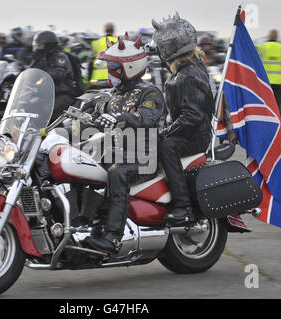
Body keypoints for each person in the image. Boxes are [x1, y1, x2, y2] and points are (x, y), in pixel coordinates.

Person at [81, 34, 165, 253]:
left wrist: (121, 119)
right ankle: (83, 223)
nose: (109, 71)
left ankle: (112, 237)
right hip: (116, 152)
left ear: (130, 67)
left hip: (144, 156)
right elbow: (92, 112)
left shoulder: (150, 93)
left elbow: (146, 117)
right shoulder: (113, 94)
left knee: (118, 173)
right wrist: (80, 113)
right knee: (82, 164)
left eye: (113, 67)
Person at [152, 12, 214, 223]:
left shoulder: (187, 76)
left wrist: (164, 133)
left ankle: (182, 206)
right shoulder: (191, 66)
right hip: (193, 130)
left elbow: (192, 116)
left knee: (165, 146)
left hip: (196, 135)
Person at [30, 30, 78, 121]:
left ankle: (55, 131)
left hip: (63, 94)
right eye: (37, 45)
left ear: (49, 45)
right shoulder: (43, 57)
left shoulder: (60, 57)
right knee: (29, 106)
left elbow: (58, 74)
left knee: (46, 110)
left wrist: (42, 67)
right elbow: (31, 73)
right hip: (48, 95)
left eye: (40, 45)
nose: (37, 48)